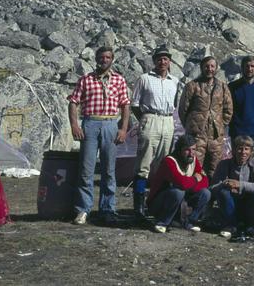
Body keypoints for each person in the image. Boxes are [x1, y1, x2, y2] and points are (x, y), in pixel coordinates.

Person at [68, 46, 130, 225]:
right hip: (91, 123)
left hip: (111, 123)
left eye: (108, 57)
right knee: (86, 170)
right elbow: (73, 102)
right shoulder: (86, 80)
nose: (104, 60)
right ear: (96, 59)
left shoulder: (118, 80)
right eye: (101, 57)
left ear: (112, 59)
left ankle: (107, 209)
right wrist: (74, 125)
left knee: (109, 170)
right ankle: (83, 210)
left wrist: (123, 129)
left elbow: (125, 105)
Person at [130, 44, 179, 220]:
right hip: (150, 117)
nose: (162, 61)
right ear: (154, 60)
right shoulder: (144, 78)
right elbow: (134, 103)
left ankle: (156, 203)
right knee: (143, 164)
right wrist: (145, 118)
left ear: (169, 61)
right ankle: (139, 207)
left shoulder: (174, 81)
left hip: (167, 120)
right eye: (159, 58)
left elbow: (176, 103)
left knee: (164, 164)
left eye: (165, 58)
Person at [178, 56, 233, 178]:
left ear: (216, 68)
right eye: (207, 66)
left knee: (215, 166)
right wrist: (191, 125)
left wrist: (221, 124)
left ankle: (212, 194)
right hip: (196, 134)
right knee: (195, 165)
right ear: (202, 67)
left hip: (216, 136)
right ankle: (194, 193)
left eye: (212, 66)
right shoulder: (192, 86)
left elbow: (228, 109)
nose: (209, 69)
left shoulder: (223, 87)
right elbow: (183, 110)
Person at [146, 134, 211, 233]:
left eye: (193, 149)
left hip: (180, 202)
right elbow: (182, 184)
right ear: (179, 150)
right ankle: (163, 222)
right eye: (187, 150)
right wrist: (194, 180)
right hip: (159, 203)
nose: (191, 153)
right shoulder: (169, 162)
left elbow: (205, 182)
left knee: (205, 193)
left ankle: (189, 222)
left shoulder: (193, 160)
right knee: (178, 192)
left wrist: (188, 183)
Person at [211, 135, 254, 241]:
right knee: (223, 193)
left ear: (251, 150)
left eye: (246, 149)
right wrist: (226, 184)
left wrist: (241, 185)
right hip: (232, 205)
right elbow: (213, 187)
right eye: (239, 148)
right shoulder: (224, 164)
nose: (243, 152)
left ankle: (251, 226)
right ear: (233, 150)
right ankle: (231, 225)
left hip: (250, 205)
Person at [228, 56, 254, 157]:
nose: (249, 69)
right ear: (242, 68)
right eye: (247, 66)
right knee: (237, 163)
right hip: (238, 132)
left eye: (252, 66)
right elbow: (228, 110)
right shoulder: (232, 87)